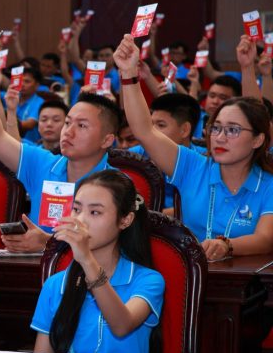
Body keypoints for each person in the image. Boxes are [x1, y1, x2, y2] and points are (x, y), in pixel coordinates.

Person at [32, 169, 164, 353]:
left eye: (95, 212)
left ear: (125, 220)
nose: (81, 220)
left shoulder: (148, 280)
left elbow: (122, 324)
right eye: (77, 209)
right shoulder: (56, 285)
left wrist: (86, 259)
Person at [115, 33, 273, 259]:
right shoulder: (193, 166)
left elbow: (266, 238)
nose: (220, 137)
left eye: (233, 130)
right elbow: (144, 131)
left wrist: (227, 245)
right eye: (216, 128)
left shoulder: (267, 184)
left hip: (243, 278)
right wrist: (129, 74)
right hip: (189, 273)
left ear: (257, 139)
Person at [0, 48, 120, 253]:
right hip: (35, 269)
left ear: (107, 140)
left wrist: (48, 242)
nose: (68, 132)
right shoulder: (42, 163)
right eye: (68, 123)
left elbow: (112, 249)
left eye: (82, 126)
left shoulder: (117, 185)